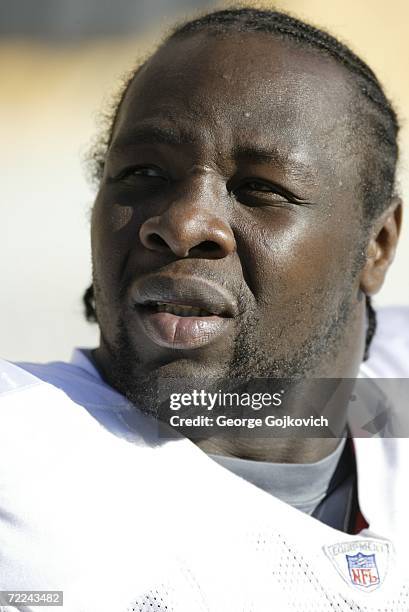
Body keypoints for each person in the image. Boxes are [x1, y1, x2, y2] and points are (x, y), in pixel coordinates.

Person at [0, 7, 408, 611]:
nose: (183, 224)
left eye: (259, 189)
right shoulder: (26, 449)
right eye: (142, 173)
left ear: (376, 246)